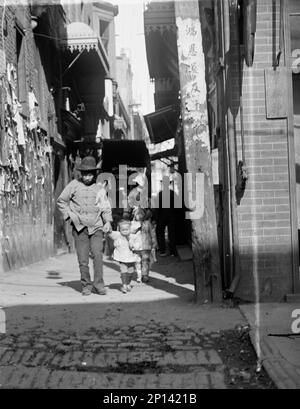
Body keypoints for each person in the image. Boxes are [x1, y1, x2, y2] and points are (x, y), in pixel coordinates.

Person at [57, 156, 112, 296]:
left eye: (90, 174)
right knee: (83, 259)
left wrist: (108, 222)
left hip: (96, 227)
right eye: (85, 174)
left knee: (98, 256)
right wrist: (70, 215)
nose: (87, 177)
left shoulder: (99, 188)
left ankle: (99, 285)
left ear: (94, 174)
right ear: (81, 174)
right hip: (80, 228)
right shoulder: (73, 185)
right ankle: (86, 285)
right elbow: (61, 201)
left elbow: (105, 207)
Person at [109, 219, 139, 293]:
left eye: (127, 229)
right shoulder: (117, 235)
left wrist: (133, 245)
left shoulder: (133, 237)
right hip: (122, 257)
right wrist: (108, 228)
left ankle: (128, 283)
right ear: (119, 230)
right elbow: (110, 233)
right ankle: (124, 285)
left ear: (130, 229)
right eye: (123, 230)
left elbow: (138, 245)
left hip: (131, 257)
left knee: (131, 271)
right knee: (124, 271)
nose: (125, 231)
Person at [129, 207, 157, 283]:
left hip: (146, 246)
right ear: (134, 215)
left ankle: (145, 275)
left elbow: (152, 233)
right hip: (136, 247)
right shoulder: (132, 224)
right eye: (138, 214)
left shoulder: (147, 223)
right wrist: (130, 244)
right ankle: (139, 275)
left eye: (142, 213)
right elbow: (130, 234)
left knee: (145, 261)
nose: (140, 216)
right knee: (137, 262)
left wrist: (154, 243)